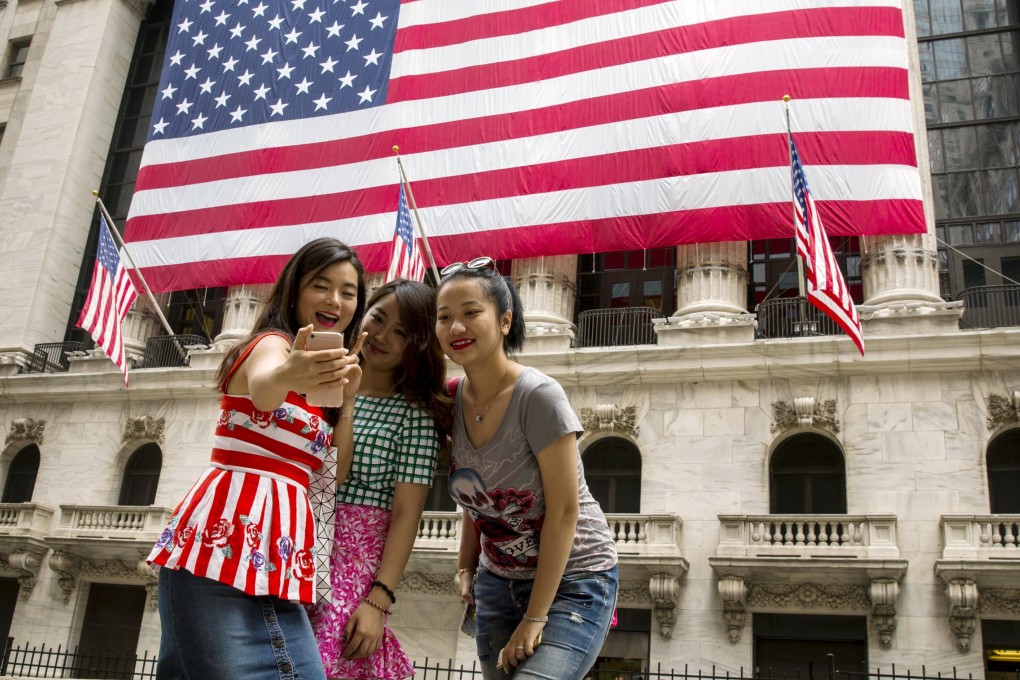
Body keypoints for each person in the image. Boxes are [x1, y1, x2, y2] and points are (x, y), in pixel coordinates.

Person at [147, 237, 368, 680]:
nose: (335, 300)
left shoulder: (323, 382)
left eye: (348, 292)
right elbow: (265, 389)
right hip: (219, 556)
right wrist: (290, 372)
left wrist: (345, 403)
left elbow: (331, 474)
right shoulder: (272, 344)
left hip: (279, 566)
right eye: (321, 286)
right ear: (294, 290)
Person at [435, 258, 619, 680]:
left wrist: (536, 618)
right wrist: (467, 567)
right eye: (444, 317)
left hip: (576, 579)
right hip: (496, 582)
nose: (456, 328)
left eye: (470, 313)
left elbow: (565, 512)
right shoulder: (448, 400)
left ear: (504, 321)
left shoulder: (538, 396)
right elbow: (475, 497)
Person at [309, 279, 452, 680]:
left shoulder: (416, 415)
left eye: (402, 332)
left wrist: (379, 599)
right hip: (299, 547)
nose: (383, 337)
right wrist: (347, 400)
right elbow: (322, 481)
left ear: (419, 344)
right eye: (378, 319)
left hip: (355, 564)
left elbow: (407, 514)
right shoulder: (317, 387)